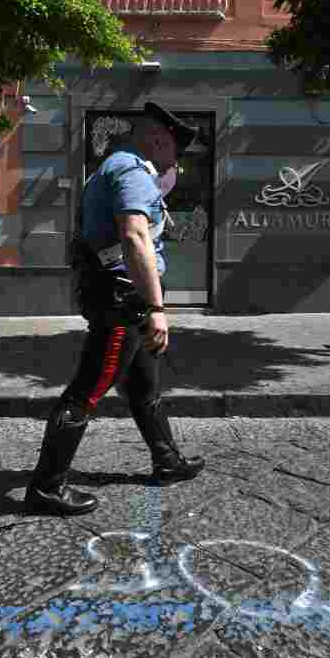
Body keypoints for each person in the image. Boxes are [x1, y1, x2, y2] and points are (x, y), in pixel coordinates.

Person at [25, 102, 206, 515]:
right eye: (174, 154)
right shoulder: (132, 171)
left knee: (143, 387)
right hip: (123, 302)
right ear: (159, 141)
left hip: (122, 297)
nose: (173, 164)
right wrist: (156, 307)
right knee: (86, 390)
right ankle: (45, 487)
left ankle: (168, 461)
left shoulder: (112, 167)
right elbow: (135, 237)